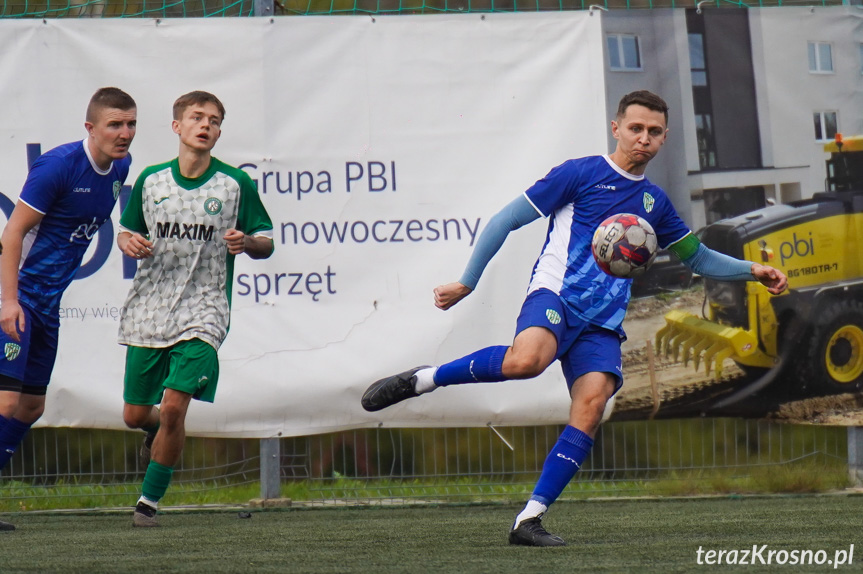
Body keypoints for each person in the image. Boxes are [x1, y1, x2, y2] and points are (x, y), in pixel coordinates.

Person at [361, 90, 788, 546]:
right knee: (528, 361)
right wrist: (467, 282)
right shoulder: (580, 173)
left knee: (591, 407)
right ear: (616, 128)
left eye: (654, 132)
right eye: (636, 128)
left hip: (602, 322)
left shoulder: (654, 204)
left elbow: (698, 258)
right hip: (556, 297)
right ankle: (425, 379)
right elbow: (505, 219)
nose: (644, 138)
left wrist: (753, 271)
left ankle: (529, 519)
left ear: (664, 139)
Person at [117, 91, 274, 527]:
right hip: (150, 310)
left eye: (215, 120)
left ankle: (147, 504)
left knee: (173, 409)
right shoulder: (151, 180)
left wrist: (250, 243)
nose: (206, 125)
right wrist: (127, 240)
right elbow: (127, 232)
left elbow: (266, 240)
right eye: (197, 117)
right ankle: (158, 433)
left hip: (204, 310)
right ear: (177, 127)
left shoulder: (234, 184)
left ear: (219, 132)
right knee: (135, 416)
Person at [0, 88, 137, 532]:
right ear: (90, 128)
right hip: (17, 298)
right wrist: (8, 302)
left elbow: (106, 223)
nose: (125, 133)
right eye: (115, 124)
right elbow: (12, 235)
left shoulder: (121, 166)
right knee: (5, 402)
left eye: (131, 124)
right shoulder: (58, 167)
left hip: (49, 306)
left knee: (31, 407)